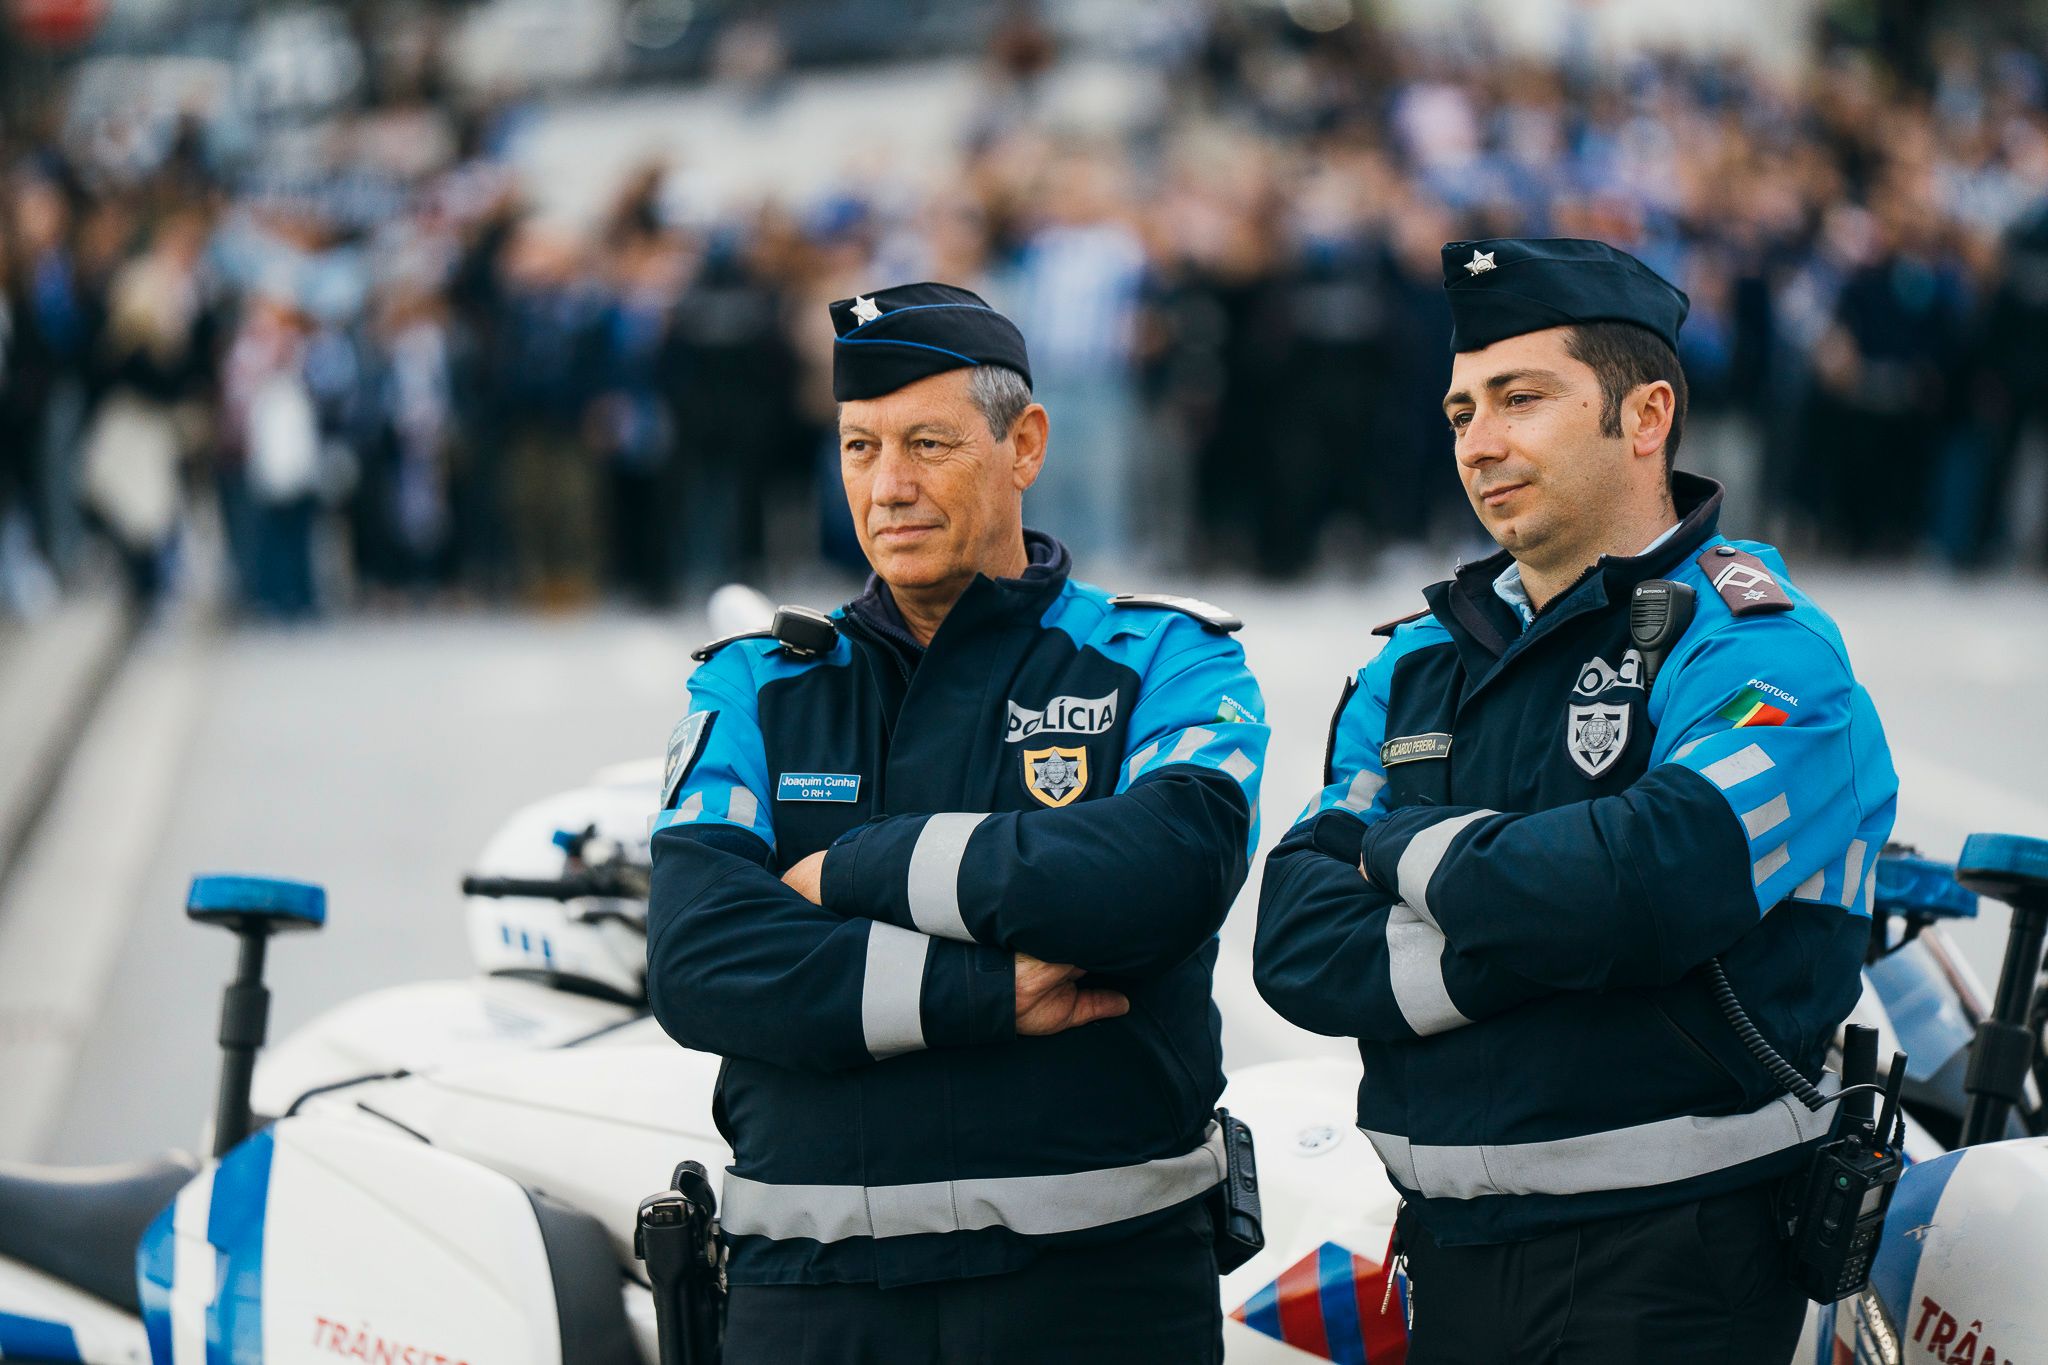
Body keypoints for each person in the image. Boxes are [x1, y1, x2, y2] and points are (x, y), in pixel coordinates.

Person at [1254, 238, 1898, 1364]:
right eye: (1460, 412)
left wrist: (1398, 852)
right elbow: (1295, 941)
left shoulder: (1766, 648)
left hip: (1673, 1272)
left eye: (1521, 399)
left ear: (1644, 417)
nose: (1479, 442)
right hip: (1444, 1260)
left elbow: (1647, 884)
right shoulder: (1414, 661)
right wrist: (1557, 932)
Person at [646, 282, 1269, 1365]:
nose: (888, 486)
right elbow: (699, 960)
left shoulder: (1163, 657)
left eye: (928, 444)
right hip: (811, 1303)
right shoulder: (755, 683)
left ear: (1023, 445)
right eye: (859, 448)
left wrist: (848, 869)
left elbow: (1161, 876)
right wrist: (981, 989)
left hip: (1096, 1296)